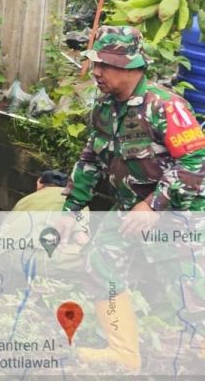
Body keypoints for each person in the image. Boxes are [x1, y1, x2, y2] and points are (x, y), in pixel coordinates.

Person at [60, 25, 205, 370]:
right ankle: (123, 354)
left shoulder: (166, 106)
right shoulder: (106, 108)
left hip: (179, 213)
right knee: (100, 264)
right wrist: (71, 208)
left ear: (131, 67)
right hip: (129, 211)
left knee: (190, 292)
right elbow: (91, 158)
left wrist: (154, 206)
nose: (96, 72)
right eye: (96, 63)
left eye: (105, 65)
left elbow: (196, 161)